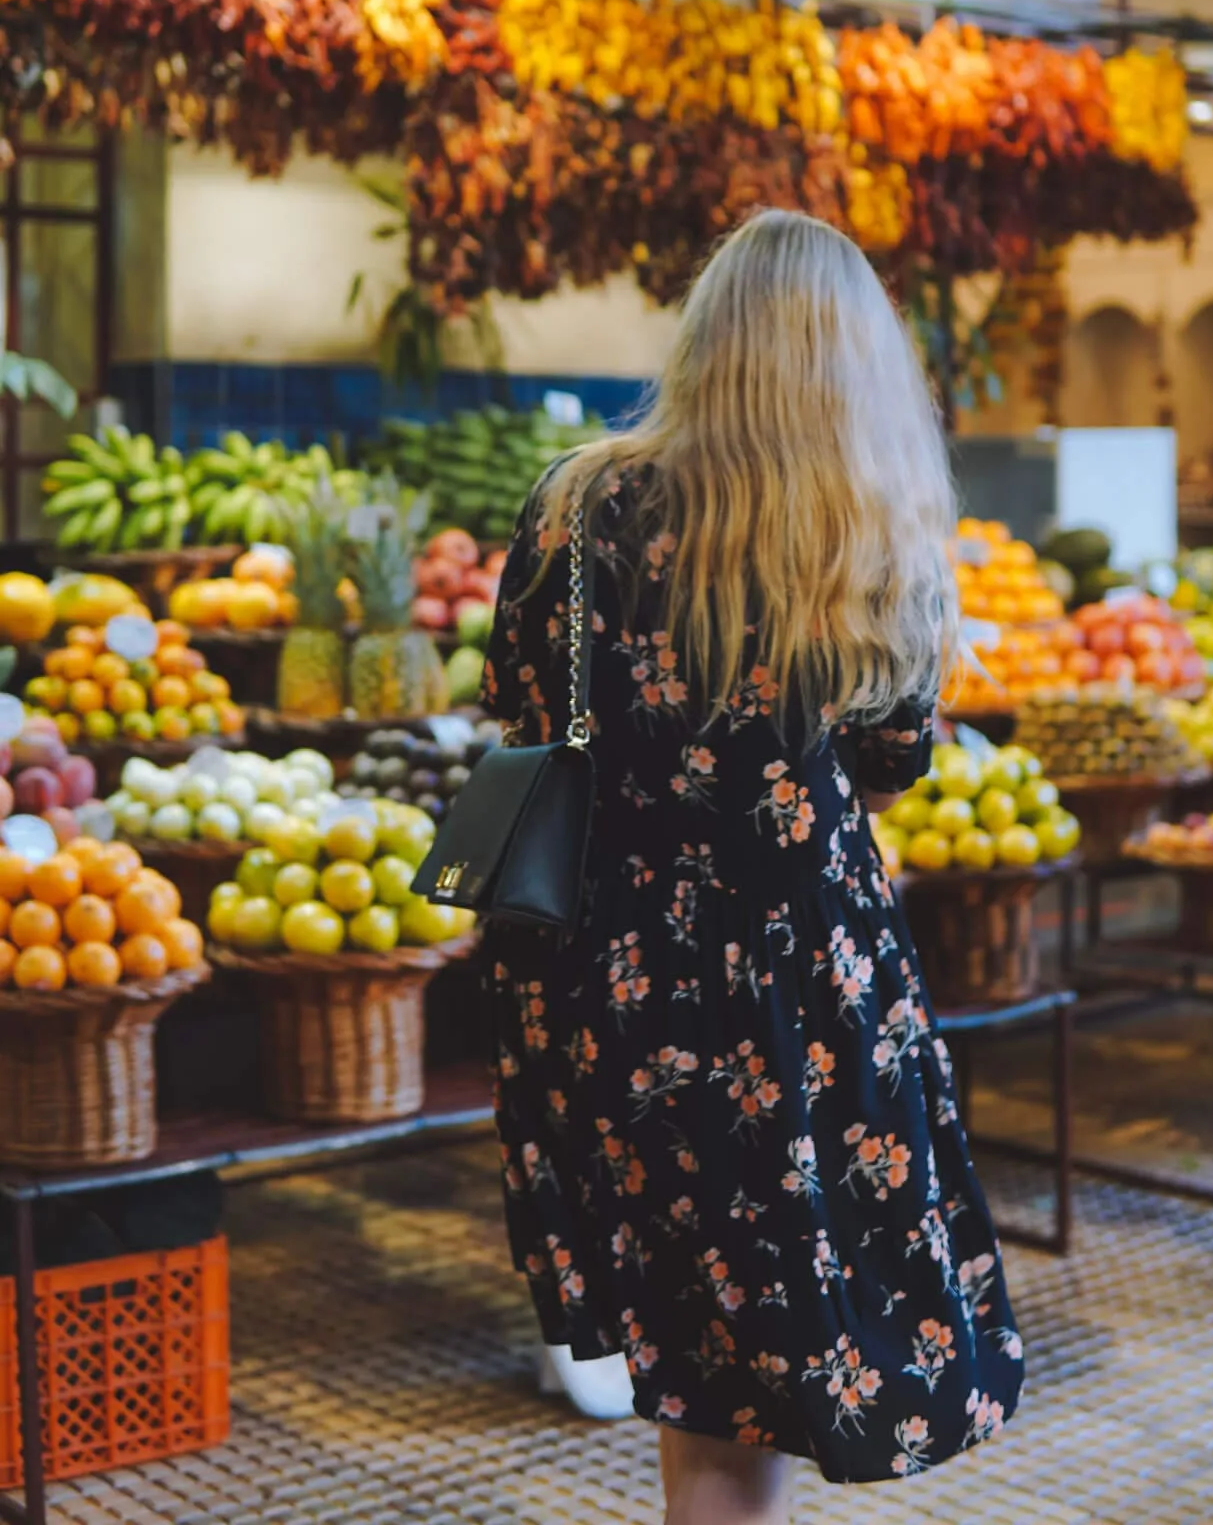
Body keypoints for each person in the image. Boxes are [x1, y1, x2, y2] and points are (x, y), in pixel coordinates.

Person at [481, 210, 1023, 1522]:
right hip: (800, 992)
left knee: (696, 1355)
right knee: (758, 1359)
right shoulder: (865, 531)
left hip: (609, 976)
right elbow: (897, 757)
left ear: (706, 333)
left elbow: (520, 710)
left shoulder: (578, 501)